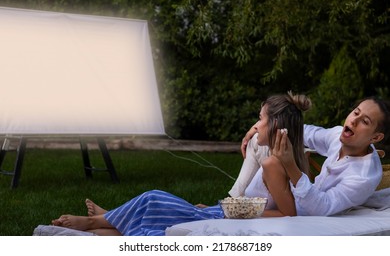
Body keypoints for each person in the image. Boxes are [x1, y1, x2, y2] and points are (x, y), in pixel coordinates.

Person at [51, 92, 311, 236]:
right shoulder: (276, 160)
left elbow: (289, 215)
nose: (255, 125)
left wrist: (233, 211)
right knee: (154, 208)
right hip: (219, 212)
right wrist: (218, 206)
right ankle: (105, 218)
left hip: (223, 217)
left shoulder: (273, 164)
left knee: (153, 199)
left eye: (260, 119)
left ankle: (96, 222)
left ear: (276, 126)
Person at [238, 96, 390, 216]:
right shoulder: (337, 135)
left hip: (309, 205)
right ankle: (235, 199)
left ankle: (236, 205)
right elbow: (303, 131)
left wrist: (290, 164)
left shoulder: (362, 177)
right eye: (356, 112)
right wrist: (262, 125)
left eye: (364, 121)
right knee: (259, 139)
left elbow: (322, 207)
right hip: (301, 194)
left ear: (376, 138)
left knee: (270, 156)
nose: (354, 120)